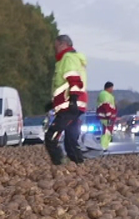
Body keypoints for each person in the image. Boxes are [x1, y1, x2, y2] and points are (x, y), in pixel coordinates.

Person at [44, 35, 88, 165]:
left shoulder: (68, 58)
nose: (55, 49)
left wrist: (73, 99)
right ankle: (78, 165)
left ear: (63, 44)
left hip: (69, 105)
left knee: (51, 137)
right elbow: (64, 85)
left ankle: (59, 165)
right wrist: (53, 103)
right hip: (71, 103)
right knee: (70, 139)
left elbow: (74, 79)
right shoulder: (70, 59)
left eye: (56, 46)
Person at [96, 81, 116, 150]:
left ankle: (105, 147)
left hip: (108, 117)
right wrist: (109, 116)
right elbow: (106, 105)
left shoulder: (107, 95)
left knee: (108, 132)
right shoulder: (104, 94)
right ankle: (103, 147)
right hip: (106, 117)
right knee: (106, 132)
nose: (112, 90)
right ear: (109, 88)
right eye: (112, 88)